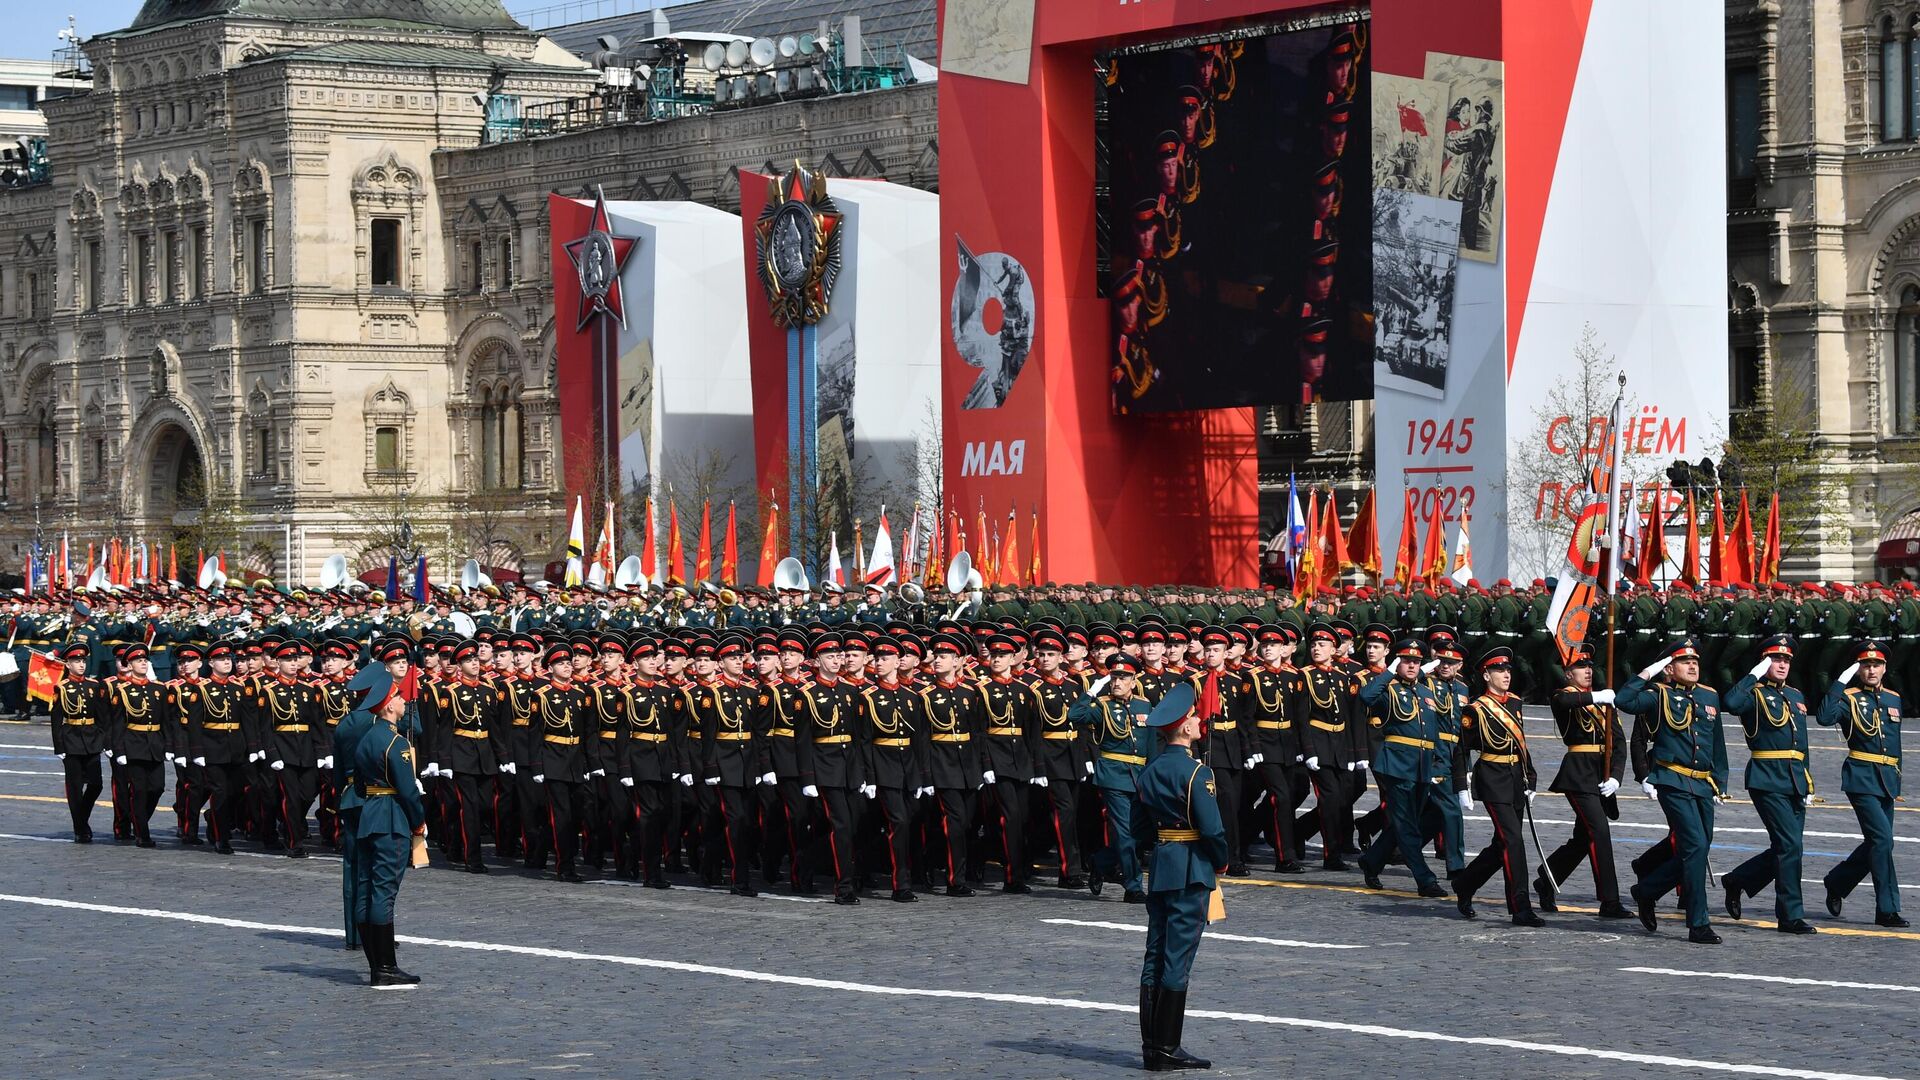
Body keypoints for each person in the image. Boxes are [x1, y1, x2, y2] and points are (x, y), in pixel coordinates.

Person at [1617, 638, 1729, 944]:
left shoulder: (1709, 696)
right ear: (1669, 668)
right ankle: (1699, 924)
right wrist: (1649, 671)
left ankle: (1647, 890)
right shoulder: (1658, 695)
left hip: (1703, 783)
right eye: (1684, 662)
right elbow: (1624, 701)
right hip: (1673, 780)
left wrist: (1720, 782)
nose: (1692, 666)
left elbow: (1717, 744)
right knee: (1693, 845)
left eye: (1695, 661)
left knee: (1699, 848)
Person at [1136, 682, 1222, 1072]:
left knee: (1155, 953)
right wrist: (1219, 861)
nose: (1200, 721)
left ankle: (1151, 1046)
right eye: (1194, 718)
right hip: (1191, 866)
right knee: (1177, 959)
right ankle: (1167, 1047)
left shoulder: (1151, 770)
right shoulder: (1195, 772)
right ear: (1184, 728)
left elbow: (1139, 827)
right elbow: (1213, 830)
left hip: (1163, 864)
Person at [1719, 635, 1816, 933]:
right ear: (1764, 662)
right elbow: (1730, 703)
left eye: (1787, 660)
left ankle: (1738, 880)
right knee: (1790, 845)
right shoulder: (1753, 694)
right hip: (1767, 777)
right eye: (1776, 659)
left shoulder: (1797, 696)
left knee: (1789, 847)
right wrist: (1753, 675)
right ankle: (1790, 916)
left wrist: (1808, 781)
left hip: (1795, 780)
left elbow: (1803, 745)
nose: (1783, 664)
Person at [1538, 644, 1631, 918]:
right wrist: (1596, 696)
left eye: (1590, 666)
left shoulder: (1603, 703)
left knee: (1583, 838)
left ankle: (1547, 879)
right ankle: (1610, 901)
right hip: (1578, 774)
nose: (1588, 671)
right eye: (1581, 667)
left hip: (1600, 776)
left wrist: (1616, 776)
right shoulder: (1564, 696)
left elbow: (1619, 743)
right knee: (1599, 832)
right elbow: (1565, 703)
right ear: (1568, 674)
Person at [1452, 647, 1543, 926]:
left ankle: (1465, 883)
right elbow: (1461, 750)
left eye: (1508, 671)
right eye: (1500, 671)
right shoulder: (1476, 709)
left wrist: (1531, 776)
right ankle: (1520, 907)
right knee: (1513, 841)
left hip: (1516, 777)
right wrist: (1461, 787)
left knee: (1501, 843)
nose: (1506, 675)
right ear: (1486, 675)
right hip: (1492, 778)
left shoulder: (1514, 703)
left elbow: (1522, 743)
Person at [1818, 641, 1907, 928]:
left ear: (1884, 668)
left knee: (1877, 843)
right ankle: (1887, 909)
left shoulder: (1893, 699)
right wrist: (1840, 682)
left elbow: (1896, 745)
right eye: (1865, 665)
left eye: (1876, 665)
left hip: (1887, 780)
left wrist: (1898, 778)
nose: (1872, 670)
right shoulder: (1849, 698)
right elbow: (1824, 717)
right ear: (1858, 670)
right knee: (1883, 840)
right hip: (1861, 777)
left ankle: (1837, 881)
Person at [1355, 638, 1449, 897]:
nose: (1412, 665)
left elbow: (1434, 732)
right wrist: (1388, 672)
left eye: (1416, 662)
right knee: (1406, 824)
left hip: (1421, 767)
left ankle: (1372, 860)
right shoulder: (1389, 689)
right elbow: (1366, 696)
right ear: (1397, 662)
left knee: (1413, 822)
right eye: (1406, 661)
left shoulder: (1425, 692)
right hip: (1397, 766)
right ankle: (1425, 880)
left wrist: (1440, 764)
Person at [351, 677, 426, 988]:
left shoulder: (366, 738)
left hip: (369, 814)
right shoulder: (396, 743)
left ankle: (376, 965)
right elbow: (408, 791)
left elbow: (357, 784)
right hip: (391, 817)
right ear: (388, 705)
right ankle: (385, 966)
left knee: (366, 887)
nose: (403, 701)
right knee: (384, 891)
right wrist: (418, 821)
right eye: (398, 697)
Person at [49, 642, 105, 843]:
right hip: (71, 738)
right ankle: (80, 828)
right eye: (76, 661)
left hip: (91, 738)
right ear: (67, 664)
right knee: (74, 787)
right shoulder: (61, 687)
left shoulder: (93, 685)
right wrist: (59, 747)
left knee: (96, 784)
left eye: (83, 661)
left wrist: (102, 739)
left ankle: (81, 818)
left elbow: (101, 716)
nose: (81, 665)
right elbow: (56, 720)